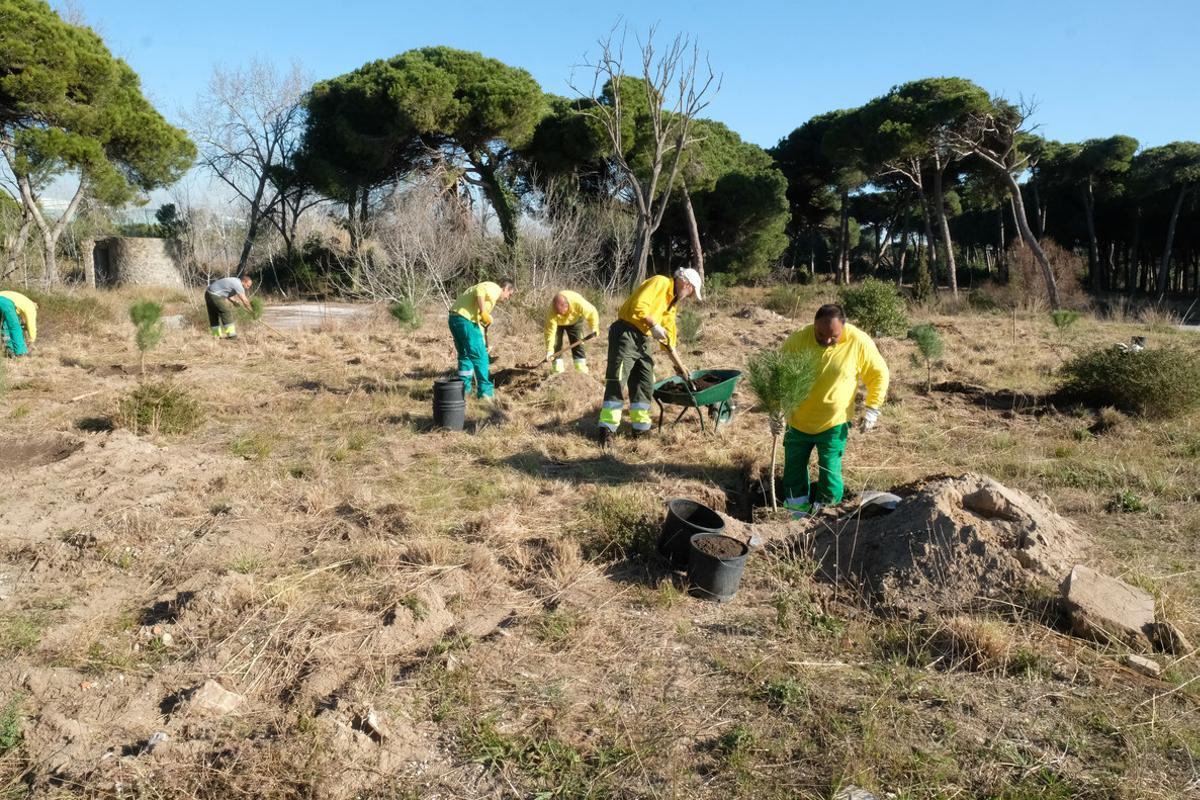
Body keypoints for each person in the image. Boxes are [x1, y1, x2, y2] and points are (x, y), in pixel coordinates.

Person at [779, 303, 889, 517]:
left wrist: (873, 408)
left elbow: (879, 374)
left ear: (844, 327)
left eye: (834, 337)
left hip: (833, 424)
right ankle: (796, 514)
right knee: (793, 471)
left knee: (830, 473)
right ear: (814, 325)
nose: (827, 340)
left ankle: (824, 517)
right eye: (820, 334)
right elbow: (779, 375)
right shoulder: (797, 341)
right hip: (797, 421)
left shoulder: (858, 342)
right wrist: (776, 409)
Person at [597, 267, 703, 445]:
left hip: (642, 338)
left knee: (645, 381)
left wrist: (680, 367)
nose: (690, 297)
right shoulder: (660, 282)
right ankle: (607, 429)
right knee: (618, 379)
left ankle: (640, 428)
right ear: (686, 284)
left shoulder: (671, 304)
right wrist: (654, 325)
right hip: (626, 332)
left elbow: (668, 340)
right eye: (692, 292)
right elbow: (638, 306)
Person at [448, 278, 515, 400]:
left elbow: (478, 324)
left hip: (455, 319)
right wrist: (484, 312)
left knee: (465, 356)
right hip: (466, 321)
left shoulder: (488, 296)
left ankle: (464, 390)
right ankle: (485, 393)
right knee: (481, 357)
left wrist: (483, 343)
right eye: (509, 295)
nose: (507, 298)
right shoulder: (494, 288)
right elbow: (480, 290)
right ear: (505, 289)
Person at [542, 290, 600, 374]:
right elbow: (550, 333)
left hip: (575, 321)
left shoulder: (578, 302)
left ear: (567, 305)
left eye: (562, 313)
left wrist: (594, 328)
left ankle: (581, 370)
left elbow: (592, 312)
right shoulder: (551, 313)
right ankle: (558, 370)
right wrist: (549, 351)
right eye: (558, 313)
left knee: (578, 342)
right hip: (558, 324)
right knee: (556, 343)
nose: (560, 315)